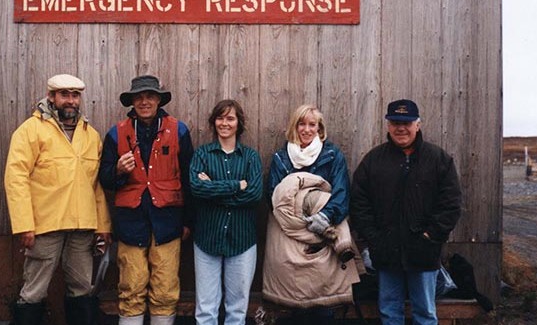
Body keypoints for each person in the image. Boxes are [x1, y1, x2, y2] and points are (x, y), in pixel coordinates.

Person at [4, 74, 112, 325]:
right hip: (44, 226)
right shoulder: (30, 130)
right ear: (51, 97)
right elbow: (16, 179)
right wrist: (24, 225)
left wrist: (103, 226)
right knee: (34, 289)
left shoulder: (90, 134)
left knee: (82, 287)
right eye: (64, 95)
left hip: (82, 226)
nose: (71, 101)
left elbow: (94, 185)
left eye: (75, 95)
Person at [350, 99, 462, 325]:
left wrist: (430, 237)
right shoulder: (373, 161)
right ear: (388, 125)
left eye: (407, 122)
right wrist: (374, 238)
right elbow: (359, 203)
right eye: (395, 122)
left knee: (425, 314)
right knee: (390, 312)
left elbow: (450, 204)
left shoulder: (438, 159)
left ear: (418, 125)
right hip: (386, 253)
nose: (401, 128)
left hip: (424, 253)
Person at [98, 75, 194, 325]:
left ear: (159, 99)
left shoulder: (179, 130)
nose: (144, 101)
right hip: (131, 222)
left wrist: (188, 222)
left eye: (150, 96)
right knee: (131, 286)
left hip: (168, 221)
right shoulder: (116, 134)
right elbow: (105, 180)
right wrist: (118, 169)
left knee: (165, 287)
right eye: (138, 97)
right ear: (131, 102)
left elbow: (188, 179)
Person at [262, 104, 360, 324]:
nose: (306, 129)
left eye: (312, 124)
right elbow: (274, 196)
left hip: (323, 234)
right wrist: (297, 216)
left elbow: (341, 192)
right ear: (294, 126)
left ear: (319, 128)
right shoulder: (281, 158)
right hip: (287, 234)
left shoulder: (333, 155)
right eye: (301, 123)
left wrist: (324, 216)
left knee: (322, 305)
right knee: (291, 306)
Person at [189, 100, 263, 325]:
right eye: (220, 118)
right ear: (214, 122)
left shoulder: (251, 157)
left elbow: (254, 194)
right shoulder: (202, 154)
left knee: (237, 309)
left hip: (242, 240)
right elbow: (196, 188)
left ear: (239, 123)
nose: (225, 123)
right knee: (206, 309)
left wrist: (214, 189)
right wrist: (236, 185)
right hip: (207, 239)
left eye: (230, 118)